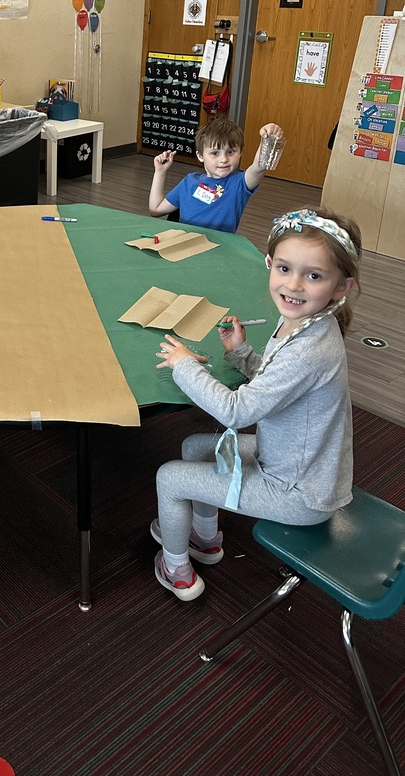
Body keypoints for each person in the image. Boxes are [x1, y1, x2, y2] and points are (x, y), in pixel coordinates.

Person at [150, 206, 361, 601]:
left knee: (169, 477)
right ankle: (205, 538)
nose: (294, 285)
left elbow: (235, 411)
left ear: (341, 286)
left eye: (313, 275)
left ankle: (176, 567)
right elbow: (275, 383)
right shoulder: (309, 321)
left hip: (299, 492)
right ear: (269, 263)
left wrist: (183, 367)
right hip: (293, 462)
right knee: (195, 446)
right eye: (284, 269)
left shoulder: (309, 349)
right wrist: (242, 352)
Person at [149, 116, 283, 233]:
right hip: (185, 246)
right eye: (215, 153)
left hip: (218, 250)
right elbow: (156, 209)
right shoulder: (189, 181)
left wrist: (268, 140)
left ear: (240, 152)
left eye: (230, 152)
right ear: (200, 156)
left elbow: (259, 167)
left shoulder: (239, 184)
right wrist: (160, 172)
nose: (223, 159)